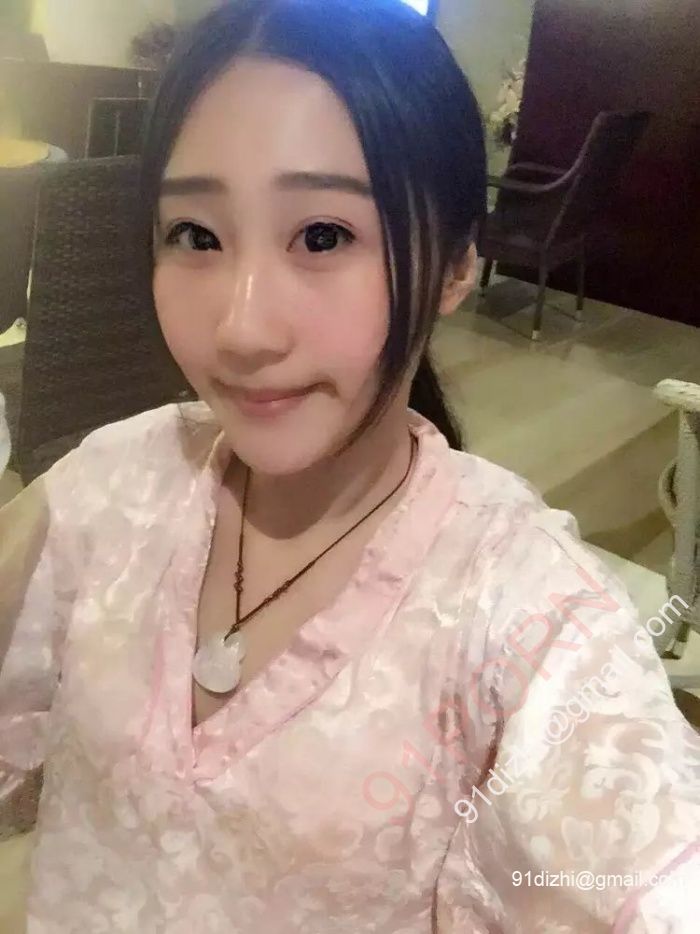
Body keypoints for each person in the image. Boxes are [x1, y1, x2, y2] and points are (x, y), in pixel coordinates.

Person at [0, 1, 698, 930]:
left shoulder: (523, 613)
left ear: (455, 265)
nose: (242, 329)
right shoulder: (111, 485)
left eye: (323, 235)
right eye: (196, 235)